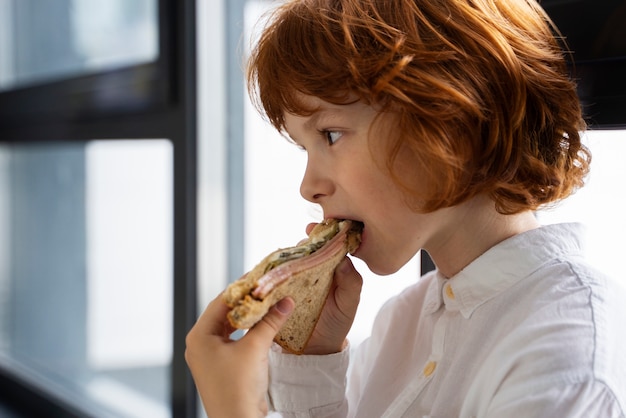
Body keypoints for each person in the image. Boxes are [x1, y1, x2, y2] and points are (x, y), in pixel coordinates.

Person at [185, 0, 626, 416]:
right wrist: (315, 358)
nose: (309, 187)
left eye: (331, 135)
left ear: (452, 120)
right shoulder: (401, 321)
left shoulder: (566, 358)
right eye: (304, 147)